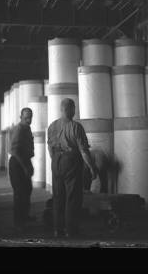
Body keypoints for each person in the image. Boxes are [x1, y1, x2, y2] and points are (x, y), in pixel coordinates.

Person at [47, 98, 98, 237]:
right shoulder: (76, 127)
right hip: (71, 161)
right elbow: (83, 151)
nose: (74, 111)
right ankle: (71, 230)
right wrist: (92, 168)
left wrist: (56, 160)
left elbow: (50, 147)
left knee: (58, 196)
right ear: (69, 109)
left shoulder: (52, 126)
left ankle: (58, 229)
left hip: (56, 161)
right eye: (73, 108)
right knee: (72, 196)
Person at [8, 108, 36, 231]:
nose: (29, 120)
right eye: (26, 118)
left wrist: (29, 165)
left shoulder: (27, 128)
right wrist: (25, 167)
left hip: (24, 161)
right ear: (21, 117)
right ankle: (18, 222)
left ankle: (25, 216)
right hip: (17, 163)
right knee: (19, 194)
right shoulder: (19, 129)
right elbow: (14, 150)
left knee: (27, 189)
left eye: (30, 117)